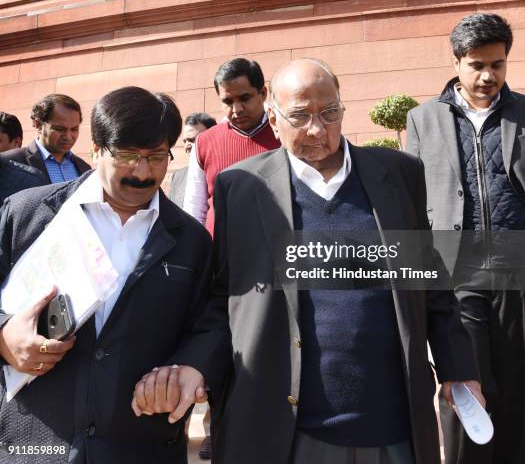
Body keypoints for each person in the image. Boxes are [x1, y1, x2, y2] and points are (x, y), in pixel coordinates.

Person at [134, 59, 482, 464]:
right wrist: (198, 365)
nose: (318, 129)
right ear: (274, 116)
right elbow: (226, 298)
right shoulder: (241, 187)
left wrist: (459, 367)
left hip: (394, 427)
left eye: (330, 112)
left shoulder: (398, 174)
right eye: (299, 116)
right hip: (288, 432)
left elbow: (431, 283)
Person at [0, 86, 229, 463]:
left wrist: (191, 366)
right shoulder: (25, 215)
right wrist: (4, 337)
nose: (142, 172)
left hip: (140, 444)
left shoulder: (191, 241)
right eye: (127, 156)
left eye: (156, 157)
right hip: (34, 443)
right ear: (96, 148)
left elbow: (212, 322)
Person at [406, 12, 525, 464]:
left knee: (516, 387)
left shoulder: (524, 113)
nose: (487, 75)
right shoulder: (423, 119)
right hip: (456, 273)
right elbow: (414, 202)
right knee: (465, 386)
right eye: (476, 64)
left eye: (497, 64)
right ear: (457, 61)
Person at [183, 57, 280, 233]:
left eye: (245, 98)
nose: (237, 109)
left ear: (263, 93)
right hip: (219, 255)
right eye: (228, 101)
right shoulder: (204, 142)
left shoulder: (286, 135)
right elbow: (195, 211)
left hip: (279, 252)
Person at [3, 94, 90, 183]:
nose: (68, 136)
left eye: (74, 129)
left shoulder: (84, 168)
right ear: (38, 125)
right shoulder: (9, 162)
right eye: (59, 129)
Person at [169, 112, 216, 208]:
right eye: (185, 141)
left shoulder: (223, 173)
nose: (187, 146)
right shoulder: (178, 176)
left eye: (193, 140)